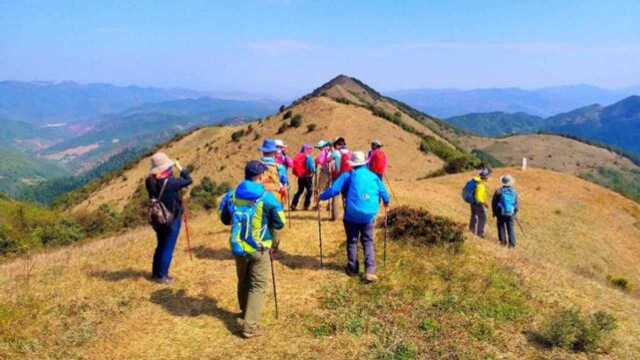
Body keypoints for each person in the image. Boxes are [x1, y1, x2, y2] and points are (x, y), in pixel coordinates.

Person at [219, 160, 286, 338]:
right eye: (264, 174)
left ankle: (244, 311)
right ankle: (250, 327)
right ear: (260, 176)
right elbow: (280, 222)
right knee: (258, 285)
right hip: (259, 247)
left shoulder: (232, 195)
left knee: (243, 279)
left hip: (238, 246)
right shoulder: (266, 197)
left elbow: (225, 219)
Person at [319, 151, 390, 283]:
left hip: (351, 215)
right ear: (364, 163)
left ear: (352, 164)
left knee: (352, 240)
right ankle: (370, 271)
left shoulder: (347, 176)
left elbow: (334, 190)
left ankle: (352, 268)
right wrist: (386, 203)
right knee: (368, 241)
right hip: (369, 215)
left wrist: (321, 197)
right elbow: (384, 193)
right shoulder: (373, 176)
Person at [145, 152, 193, 284]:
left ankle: (156, 273)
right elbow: (188, 180)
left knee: (160, 244)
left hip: (157, 218)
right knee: (168, 246)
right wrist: (181, 168)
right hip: (172, 218)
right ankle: (163, 276)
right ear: (166, 167)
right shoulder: (171, 182)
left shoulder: (150, 181)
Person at [258, 139, 288, 249]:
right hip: (275, 198)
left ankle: (264, 245)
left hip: (260, 198)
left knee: (262, 221)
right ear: (275, 153)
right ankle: (274, 247)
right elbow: (285, 183)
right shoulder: (279, 167)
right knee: (275, 223)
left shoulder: (257, 166)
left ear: (263, 152)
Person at [492, 174, 519, 248]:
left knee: (501, 226)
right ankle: (512, 244)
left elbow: (494, 203)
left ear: (502, 182)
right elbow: (516, 204)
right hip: (510, 213)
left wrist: (494, 212)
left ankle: (503, 242)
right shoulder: (514, 192)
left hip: (500, 212)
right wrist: (515, 212)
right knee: (510, 228)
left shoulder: (498, 191)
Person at [291, 144, 316, 211]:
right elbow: (310, 167)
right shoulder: (308, 157)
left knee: (300, 190)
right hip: (308, 176)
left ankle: (293, 204)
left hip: (300, 176)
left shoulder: (299, 156)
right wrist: (313, 171)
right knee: (309, 191)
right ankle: (306, 206)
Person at [467, 168, 491, 238]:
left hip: (472, 202)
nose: (488, 177)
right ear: (484, 176)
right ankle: (480, 233)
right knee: (483, 218)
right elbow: (479, 197)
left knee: (473, 215)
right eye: (488, 176)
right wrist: (484, 203)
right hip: (478, 203)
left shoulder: (475, 180)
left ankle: (471, 229)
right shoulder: (480, 184)